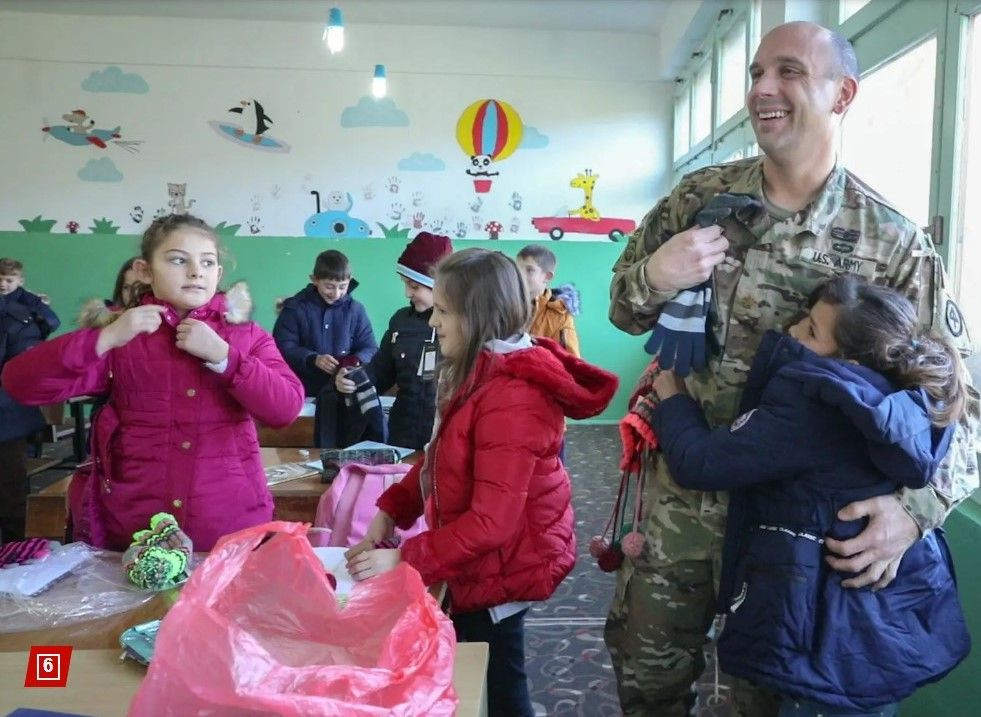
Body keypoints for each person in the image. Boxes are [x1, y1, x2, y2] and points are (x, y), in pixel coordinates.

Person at [604, 21, 978, 717]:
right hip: (680, 515)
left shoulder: (891, 244)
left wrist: (914, 510)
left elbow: (963, 399)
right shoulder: (698, 199)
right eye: (753, 73)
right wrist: (654, 275)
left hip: (797, 541)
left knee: (766, 703)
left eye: (787, 72)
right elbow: (624, 312)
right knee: (645, 683)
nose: (761, 90)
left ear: (842, 94)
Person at [651, 275, 970, 717]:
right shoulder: (909, 398)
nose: (791, 332)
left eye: (811, 331)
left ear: (852, 361)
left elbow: (701, 463)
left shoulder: (814, 399)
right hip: (881, 622)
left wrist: (673, 399)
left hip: (817, 620)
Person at [344, 248, 619, 717]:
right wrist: (392, 510)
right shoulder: (481, 371)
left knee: (496, 684)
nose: (433, 321)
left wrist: (405, 559)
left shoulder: (513, 396)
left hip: (505, 568)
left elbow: (492, 524)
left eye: (445, 311)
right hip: (484, 561)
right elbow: (442, 460)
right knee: (482, 674)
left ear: (479, 316)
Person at [1, 214, 304, 551]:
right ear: (145, 271)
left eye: (207, 262)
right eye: (178, 259)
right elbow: (20, 383)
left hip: (228, 528)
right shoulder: (124, 335)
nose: (195, 271)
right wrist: (105, 337)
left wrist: (225, 358)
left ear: (218, 273)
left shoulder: (245, 336)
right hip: (135, 531)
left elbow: (286, 408)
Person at [335, 231, 453, 450]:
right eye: (405, 284)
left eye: (414, 286)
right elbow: (380, 372)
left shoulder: (460, 325)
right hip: (401, 439)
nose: (407, 292)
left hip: (445, 439)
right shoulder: (400, 320)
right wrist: (350, 379)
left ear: (439, 285)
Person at [0, 257, 60, 542]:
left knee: (11, 482)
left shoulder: (28, 308)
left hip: (9, 408)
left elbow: (46, 330)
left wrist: (40, 306)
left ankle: (13, 548)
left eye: (9, 280)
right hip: (12, 403)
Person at [273, 249, 377, 397]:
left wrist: (352, 362)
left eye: (343, 286)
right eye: (329, 286)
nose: (336, 294)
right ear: (314, 279)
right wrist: (312, 359)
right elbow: (281, 346)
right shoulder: (295, 308)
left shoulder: (356, 310)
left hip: (346, 392)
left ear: (350, 280)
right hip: (303, 391)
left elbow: (370, 348)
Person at [516, 244, 581, 357]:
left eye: (529, 270)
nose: (519, 275)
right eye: (517, 269)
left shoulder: (560, 314)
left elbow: (571, 362)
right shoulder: (504, 304)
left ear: (547, 276)